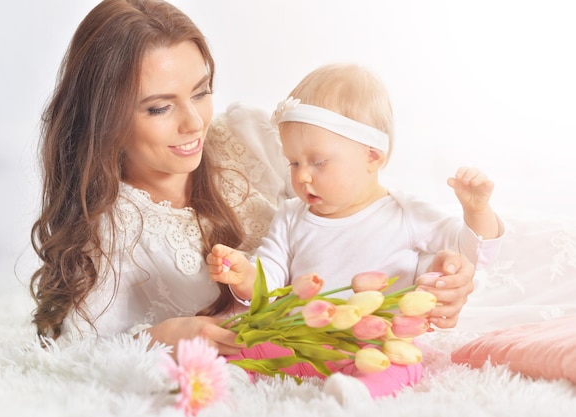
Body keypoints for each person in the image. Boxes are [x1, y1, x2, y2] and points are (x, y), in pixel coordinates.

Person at [29, 0, 475, 363]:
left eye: (201, 92)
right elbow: (72, 351)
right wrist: (164, 336)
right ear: (105, 119)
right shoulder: (115, 230)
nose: (194, 123)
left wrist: (441, 279)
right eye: (159, 108)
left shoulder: (249, 137)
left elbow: (360, 211)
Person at [207, 63, 504, 397]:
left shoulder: (404, 213)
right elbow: (271, 273)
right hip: (300, 336)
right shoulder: (292, 214)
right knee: (243, 341)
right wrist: (246, 275)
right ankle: (228, 381)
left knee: (401, 363)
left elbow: (470, 254)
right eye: (294, 162)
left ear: (372, 157)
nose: (303, 176)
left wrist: (476, 211)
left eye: (318, 162)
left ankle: (355, 392)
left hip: (368, 341)